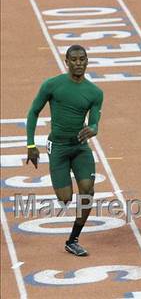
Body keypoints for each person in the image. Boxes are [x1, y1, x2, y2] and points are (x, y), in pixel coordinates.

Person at [26, 44, 104, 255]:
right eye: (75, 60)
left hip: (79, 148)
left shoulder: (95, 92)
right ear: (67, 62)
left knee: (87, 191)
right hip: (58, 147)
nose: (79, 63)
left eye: (82, 59)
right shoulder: (52, 85)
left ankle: (73, 239)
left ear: (87, 61)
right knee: (65, 199)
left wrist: (93, 128)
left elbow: (95, 121)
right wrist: (31, 145)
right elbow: (33, 112)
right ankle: (64, 188)